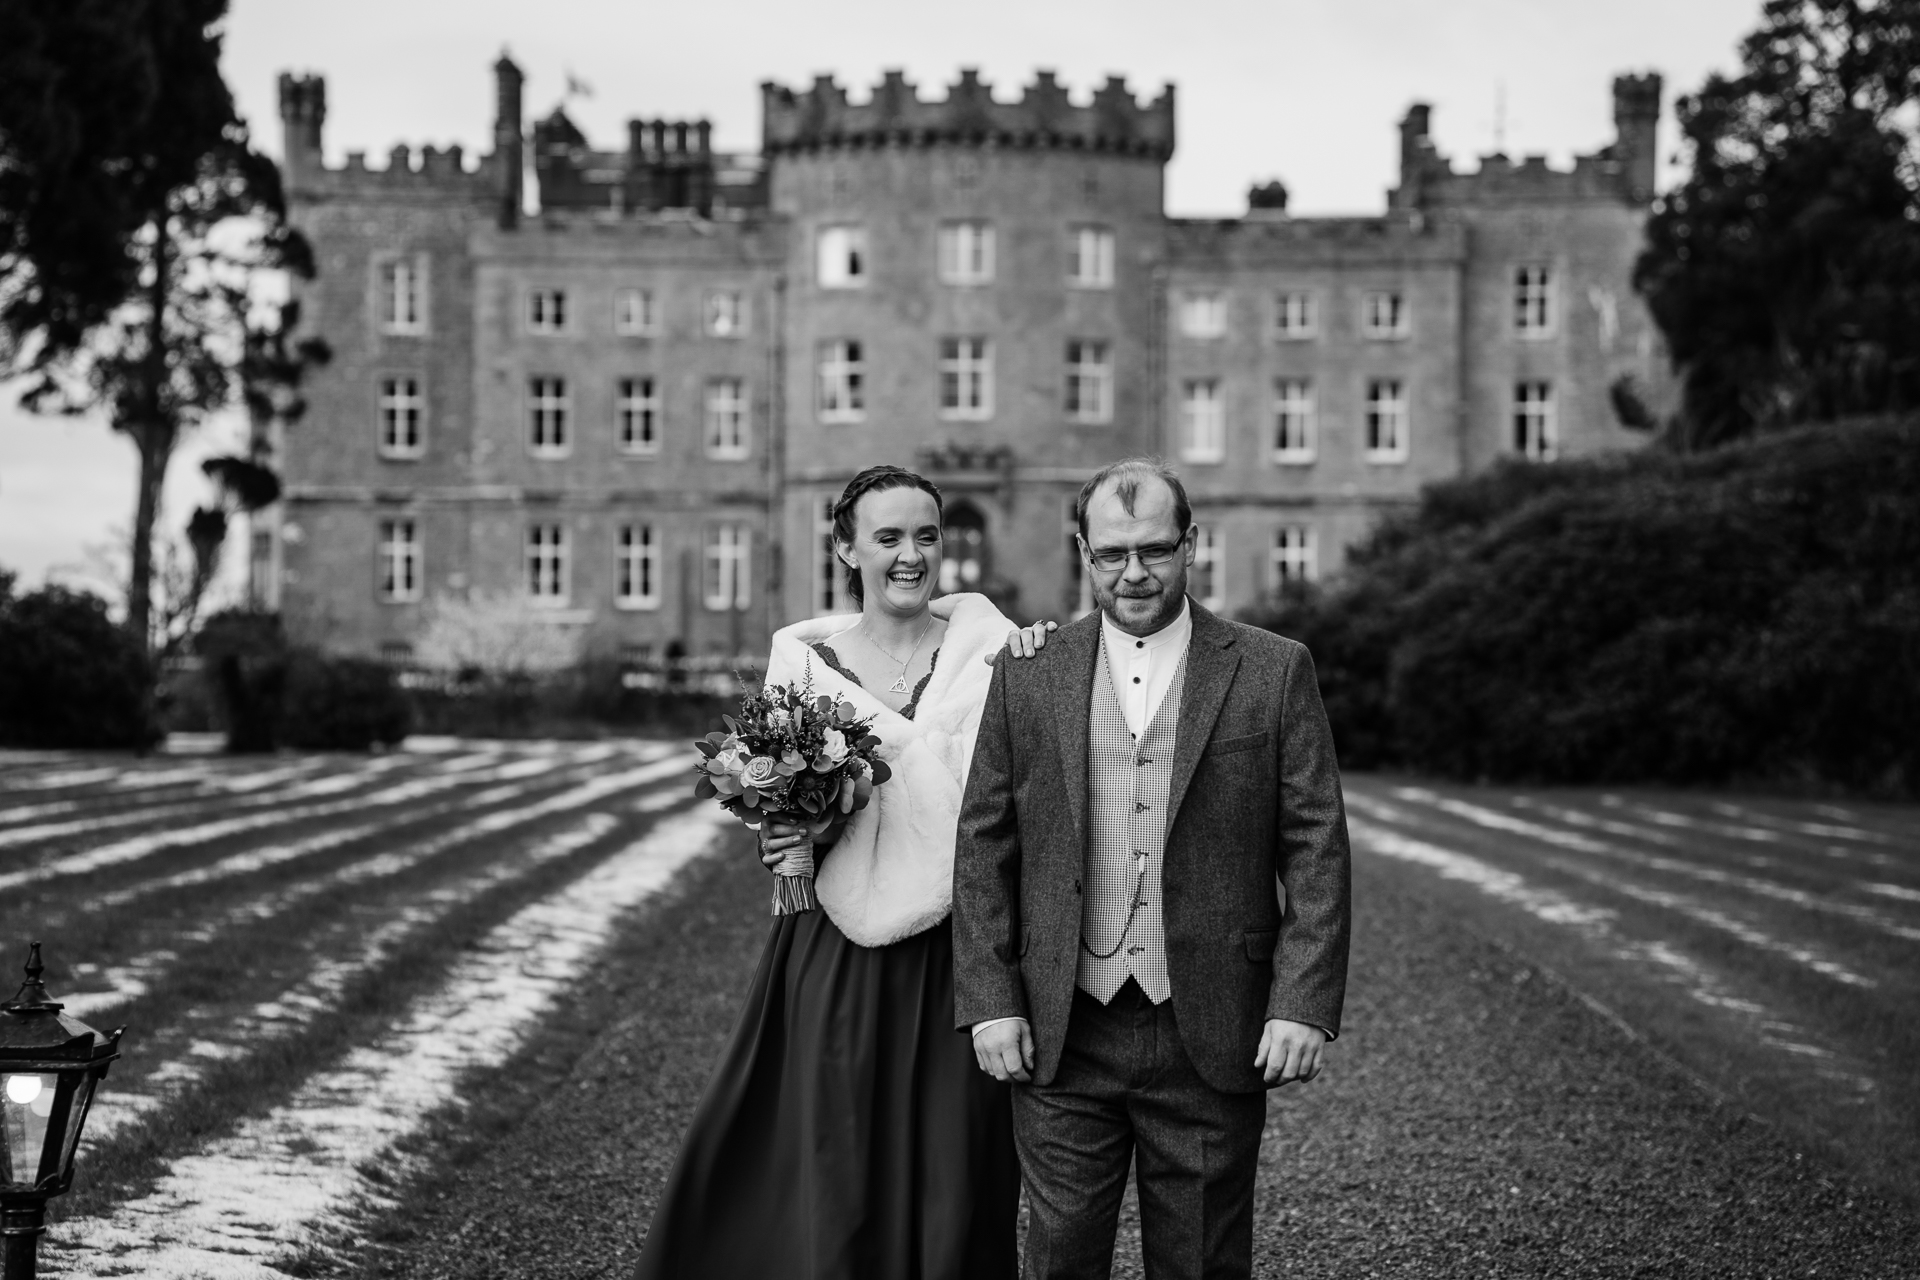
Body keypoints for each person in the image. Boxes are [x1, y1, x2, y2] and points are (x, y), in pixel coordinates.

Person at [633, 464, 1053, 1280]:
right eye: (888, 537)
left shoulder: (1002, 655)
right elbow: (782, 821)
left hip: (965, 957)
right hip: (835, 950)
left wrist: (1047, 662)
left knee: (959, 1178)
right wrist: (782, 837)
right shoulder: (802, 669)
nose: (910, 556)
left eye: (926, 537)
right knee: (836, 1165)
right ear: (846, 548)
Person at [952, 456, 1353, 1280]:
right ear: (1082, 551)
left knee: (1202, 1263)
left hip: (1212, 1024)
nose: (1134, 572)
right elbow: (984, 845)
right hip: (1063, 1027)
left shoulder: (1273, 670)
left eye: (1155, 550)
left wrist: (1302, 1002)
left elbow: (1315, 844)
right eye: (1111, 553)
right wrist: (991, 1001)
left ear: (1191, 545)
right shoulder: (1027, 674)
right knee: (1059, 1260)